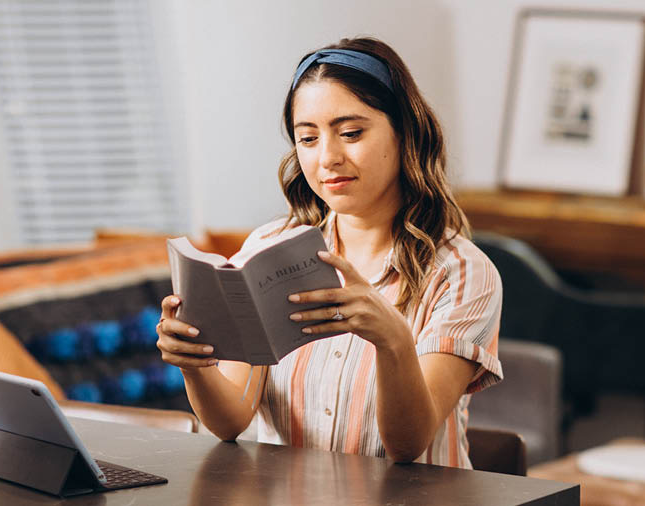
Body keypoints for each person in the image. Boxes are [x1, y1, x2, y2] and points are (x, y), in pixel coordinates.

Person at [156, 37, 502, 468]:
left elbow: (408, 444)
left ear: (404, 132)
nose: (328, 158)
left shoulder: (463, 275)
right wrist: (195, 365)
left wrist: (392, 338)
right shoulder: (267, 250)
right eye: (308, 139)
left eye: (351, 134)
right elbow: (231, 422)